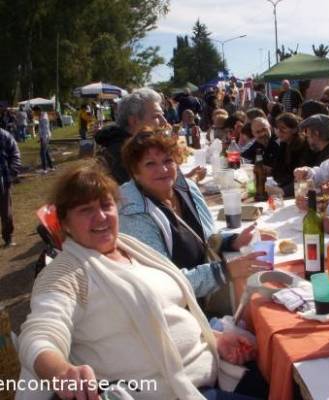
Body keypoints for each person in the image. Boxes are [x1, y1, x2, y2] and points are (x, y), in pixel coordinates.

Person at [18, 163, 266, 400]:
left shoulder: (131, 247)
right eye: (85, 210)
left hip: (214, 368)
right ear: (66, 224)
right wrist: (62, 372)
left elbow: (166, 311)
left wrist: (216, 339)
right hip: (173, 392)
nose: (101, 217)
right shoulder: (66, 274)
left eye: (106, 205)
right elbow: (40, 333)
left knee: (281, 372)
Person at [119, 131, 272, 300]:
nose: (162, 169)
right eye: (150, 164)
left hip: (208, 298)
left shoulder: (187, 189)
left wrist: (232, 241)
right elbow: (164, 283)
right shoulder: (133, 215)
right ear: (135, 172)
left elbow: (204, 240)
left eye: (168, 160)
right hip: (179, 313)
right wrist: (225, 270)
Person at [94, 88, 169, 184]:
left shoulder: (139, 145)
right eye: (156, 116)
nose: (164, 122)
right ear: (134, 121)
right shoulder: (122, 154)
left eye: (163, 115)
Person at [272, 113, 308, 197]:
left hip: (297, 190)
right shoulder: (284, 143)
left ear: (294, 129)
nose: (279, 132)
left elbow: (299, 175)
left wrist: (281, 189)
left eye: (283, 128)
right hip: (284, 185)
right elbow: (277, 169)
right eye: (278, 129)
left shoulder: (303, 146)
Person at [0, 128, 21, 247]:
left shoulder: (4, 135)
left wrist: (12, 173)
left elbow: (15, 154)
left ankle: (8, 237)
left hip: (2, 180)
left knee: (5, 211)